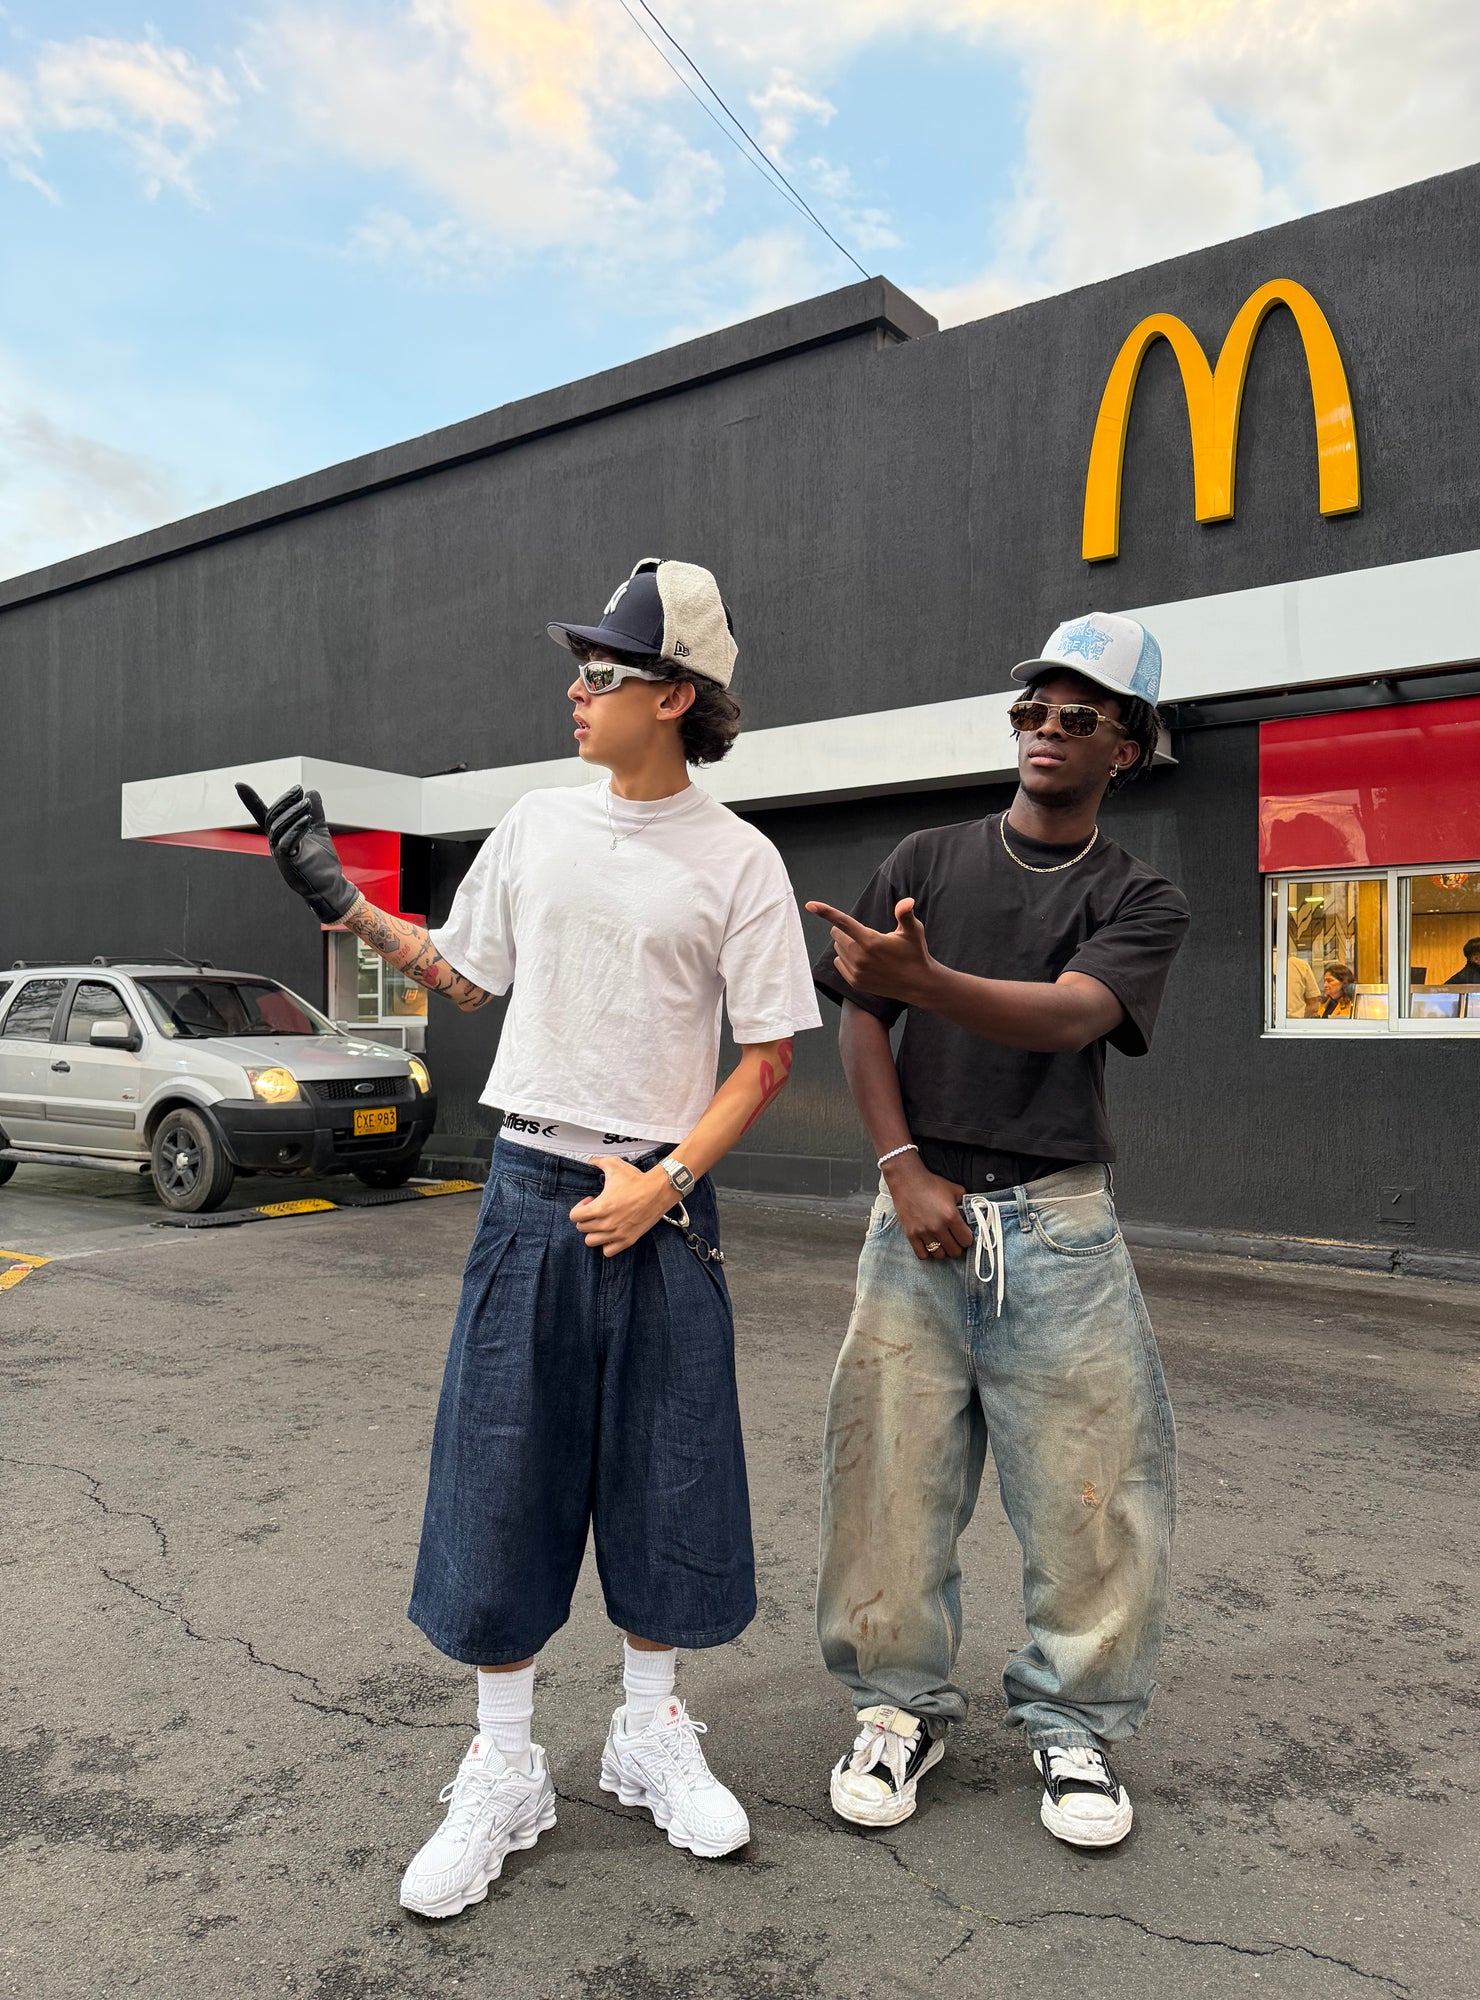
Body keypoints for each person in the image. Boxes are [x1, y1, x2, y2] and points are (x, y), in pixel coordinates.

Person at [237, 556, 821, 1918]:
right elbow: (462, 975)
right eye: (580, 668)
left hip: (662, 1205)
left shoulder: (740, 859)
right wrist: (340, 903)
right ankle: (503, 1765)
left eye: (604, 672)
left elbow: (769, 1059)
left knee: (670, 1470)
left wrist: (666, 1180)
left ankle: (648, 1733)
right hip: (528, 1186)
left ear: (674, 696)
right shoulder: (538, 825)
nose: (576, 689)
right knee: (501, 1470)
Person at [805, 611, 1188, 1851]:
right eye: (1031, 708)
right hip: (914, 1211)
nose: (1045, 729)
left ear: (1128, 747)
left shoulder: (1140, 896)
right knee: (888, 1479)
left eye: (1079, 715)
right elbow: (861, 1016)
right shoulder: (924, 857)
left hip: (1058, 1225)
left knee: (1092, 1496)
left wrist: (927, 983)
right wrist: (901, 1164)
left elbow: (1071, 1013)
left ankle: (1073, 1722)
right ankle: (896, 1706)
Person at [1286, 954, 1321, 1019]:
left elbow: (1313, 1005)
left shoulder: (1298, 965)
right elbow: (1314, 1005)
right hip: (1294, 1022)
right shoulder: (1299, 965)